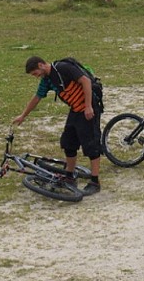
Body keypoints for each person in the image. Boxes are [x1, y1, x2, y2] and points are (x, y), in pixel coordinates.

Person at [12, 56, 102, 195]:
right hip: (75, 109)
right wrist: (23, 115)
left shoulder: (62, 68)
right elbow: (37, 98)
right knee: (68, 142)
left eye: (36, 73)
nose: (37, 77)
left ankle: (95, 182)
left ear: (41, 65)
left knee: (91, 145)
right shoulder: (47, 80)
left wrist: (89, 106)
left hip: (88, 108)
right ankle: (70, 176)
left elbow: (86, 81)